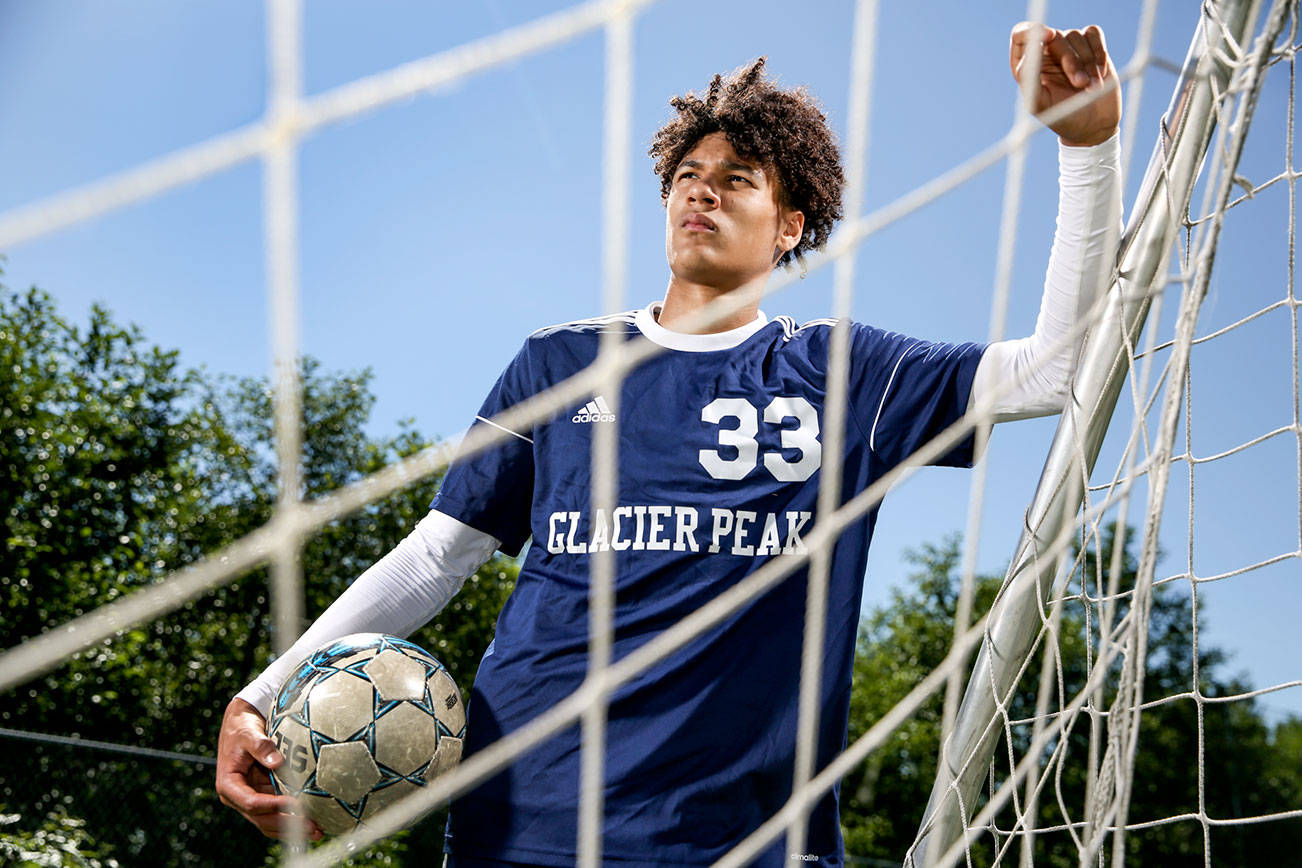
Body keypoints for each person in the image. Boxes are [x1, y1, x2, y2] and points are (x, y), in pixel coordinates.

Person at [217, 22, 1123, 867]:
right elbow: (433, 561)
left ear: (790, 227)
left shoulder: (843, 373)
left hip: (740, 839)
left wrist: (1087, 150)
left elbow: (1056, 369)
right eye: (690, 173)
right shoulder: (560, 362)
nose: (703, 189)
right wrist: (261, 693)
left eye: (737, 179)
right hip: (521, 824)